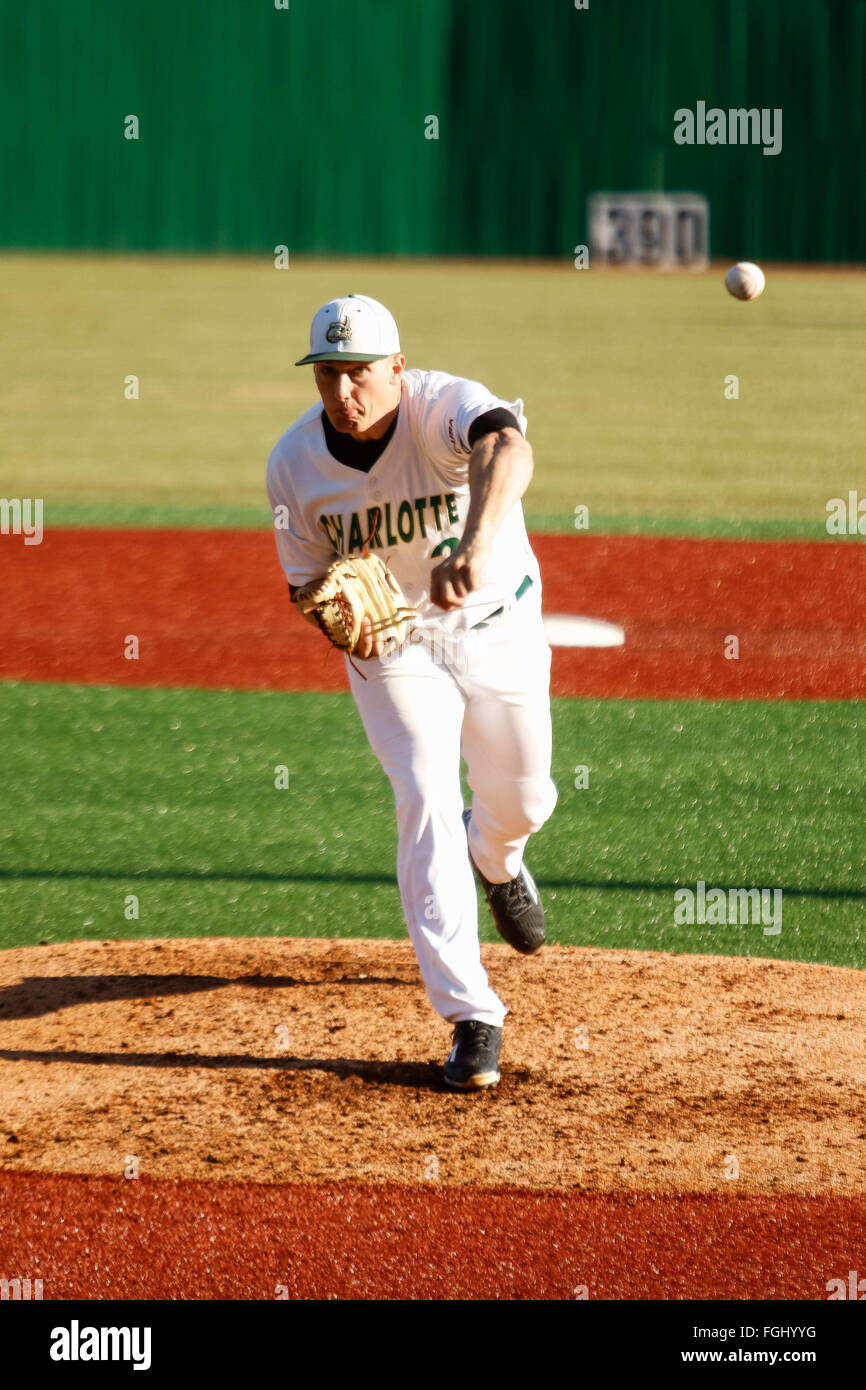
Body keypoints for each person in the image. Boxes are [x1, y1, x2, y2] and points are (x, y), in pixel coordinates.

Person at [266, 293, 557, 1089]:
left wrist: (476, 542)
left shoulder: (443, 406)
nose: (343, 393)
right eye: (328, 374)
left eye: (358, 372)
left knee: (525, 799)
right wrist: (337, 622)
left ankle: (495, 857)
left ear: (397, 366)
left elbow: (508, 448)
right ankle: (472, 1014)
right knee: (422, 789)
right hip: (394, 647)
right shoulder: (293, 464)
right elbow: (307, 585)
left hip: (496, 621)